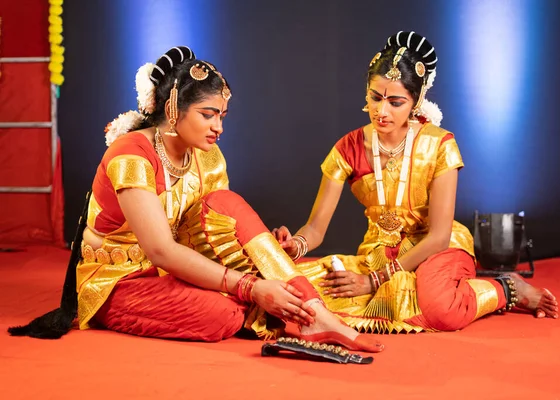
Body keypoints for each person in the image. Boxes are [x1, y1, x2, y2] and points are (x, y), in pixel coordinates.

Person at [8, 46, 382, 352]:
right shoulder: (132, 155)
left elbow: (214, 225)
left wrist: (265, 250)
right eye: (208, 114)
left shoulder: (207, 157)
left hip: (172, 268)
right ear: (172, 110)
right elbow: (161, 251)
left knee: (226, 203)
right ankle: (279, 306)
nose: (218, 126)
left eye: (222, 115)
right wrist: (250, 284)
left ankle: (313, 312)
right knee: (224, 316)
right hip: (118, 279)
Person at [272, 31, 559, 333]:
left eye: (395, 102)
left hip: (438, 248)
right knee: (295, 291)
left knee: (438, 308)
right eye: (374, 97)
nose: (381, 112)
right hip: (380, 254)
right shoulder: (348, 148)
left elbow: (438, 235)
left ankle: (506, 288)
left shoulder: (439, 144)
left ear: (416, 101)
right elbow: (316, 229)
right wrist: (297, 245)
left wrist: (373, 281)